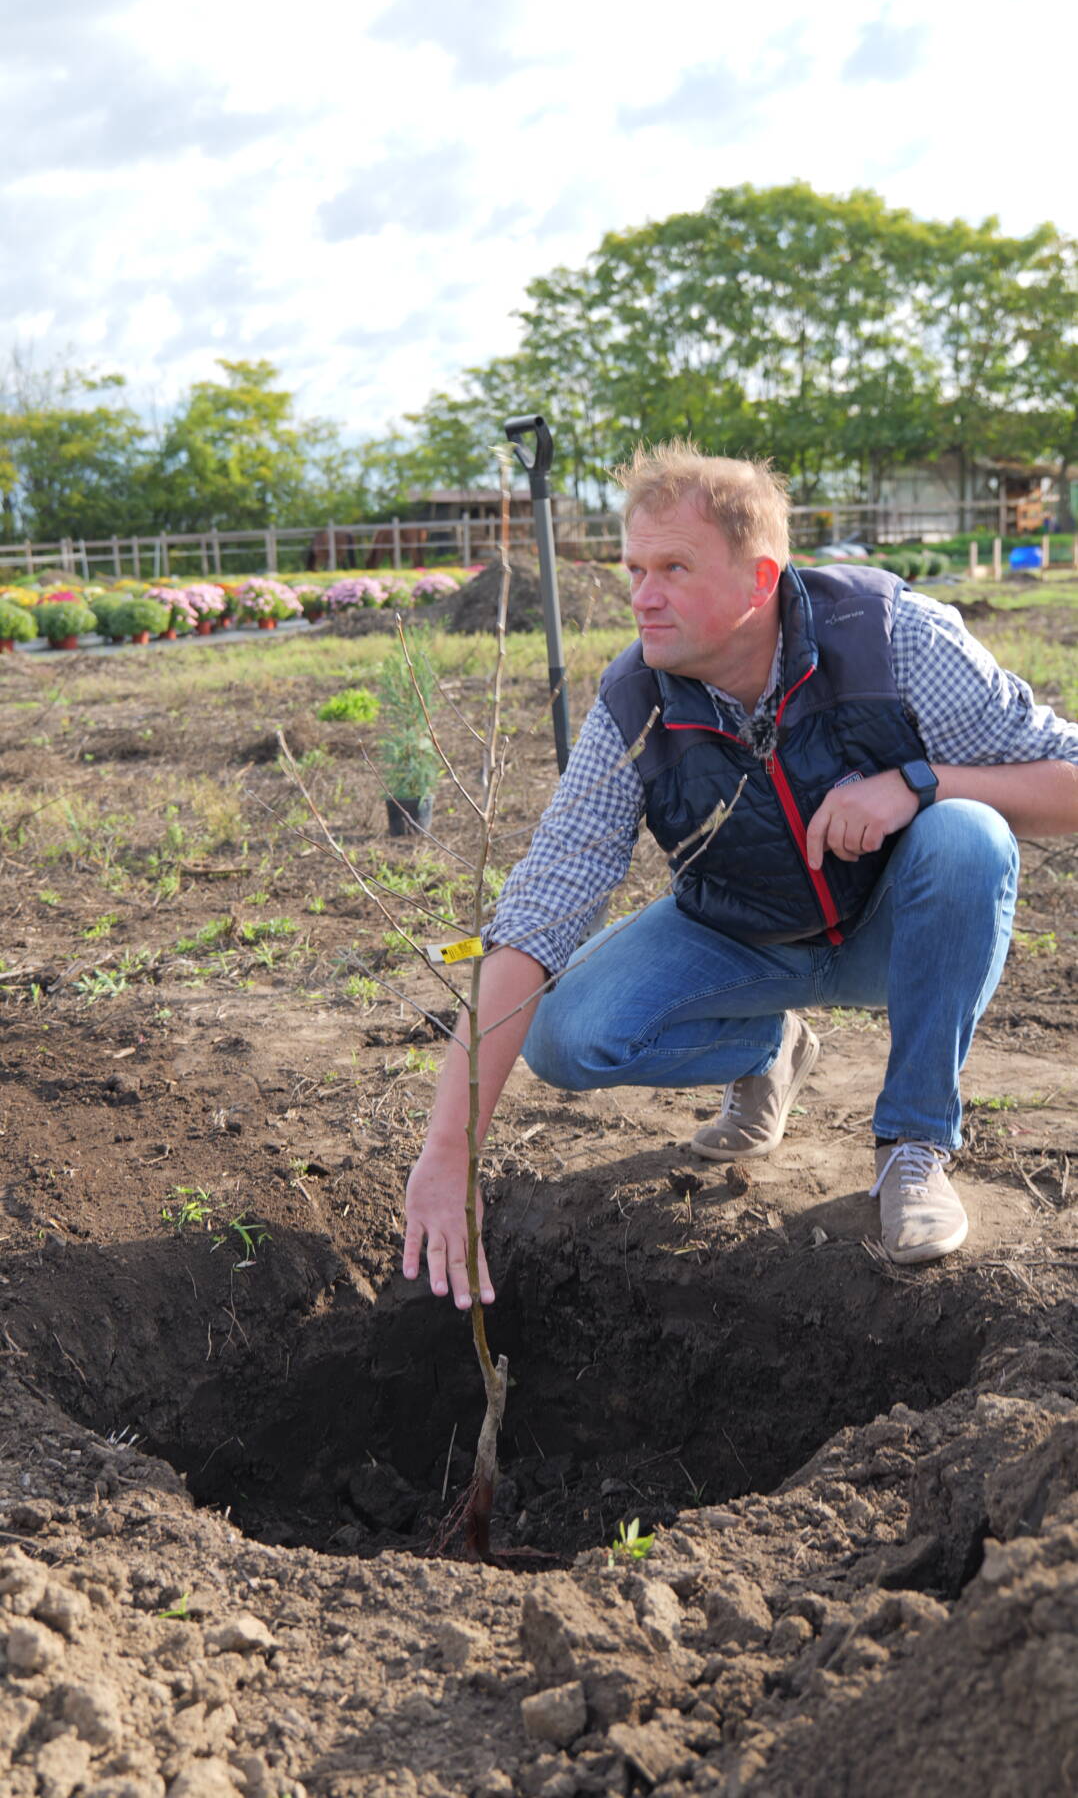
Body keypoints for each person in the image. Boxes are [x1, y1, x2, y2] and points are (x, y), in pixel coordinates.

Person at [404, 443, 1078, 1306]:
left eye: (674, 568)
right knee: (566, 1034)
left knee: (969, 836)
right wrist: (448, 1152)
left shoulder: (889, 637)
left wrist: (919, 783)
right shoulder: (634, 705)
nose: (642, 596)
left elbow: (1064, 780)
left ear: (760, 580)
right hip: (741, 935)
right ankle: (771, 1045)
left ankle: (914, 1147)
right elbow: (542, 909)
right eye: (635, 568)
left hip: (892, 931)